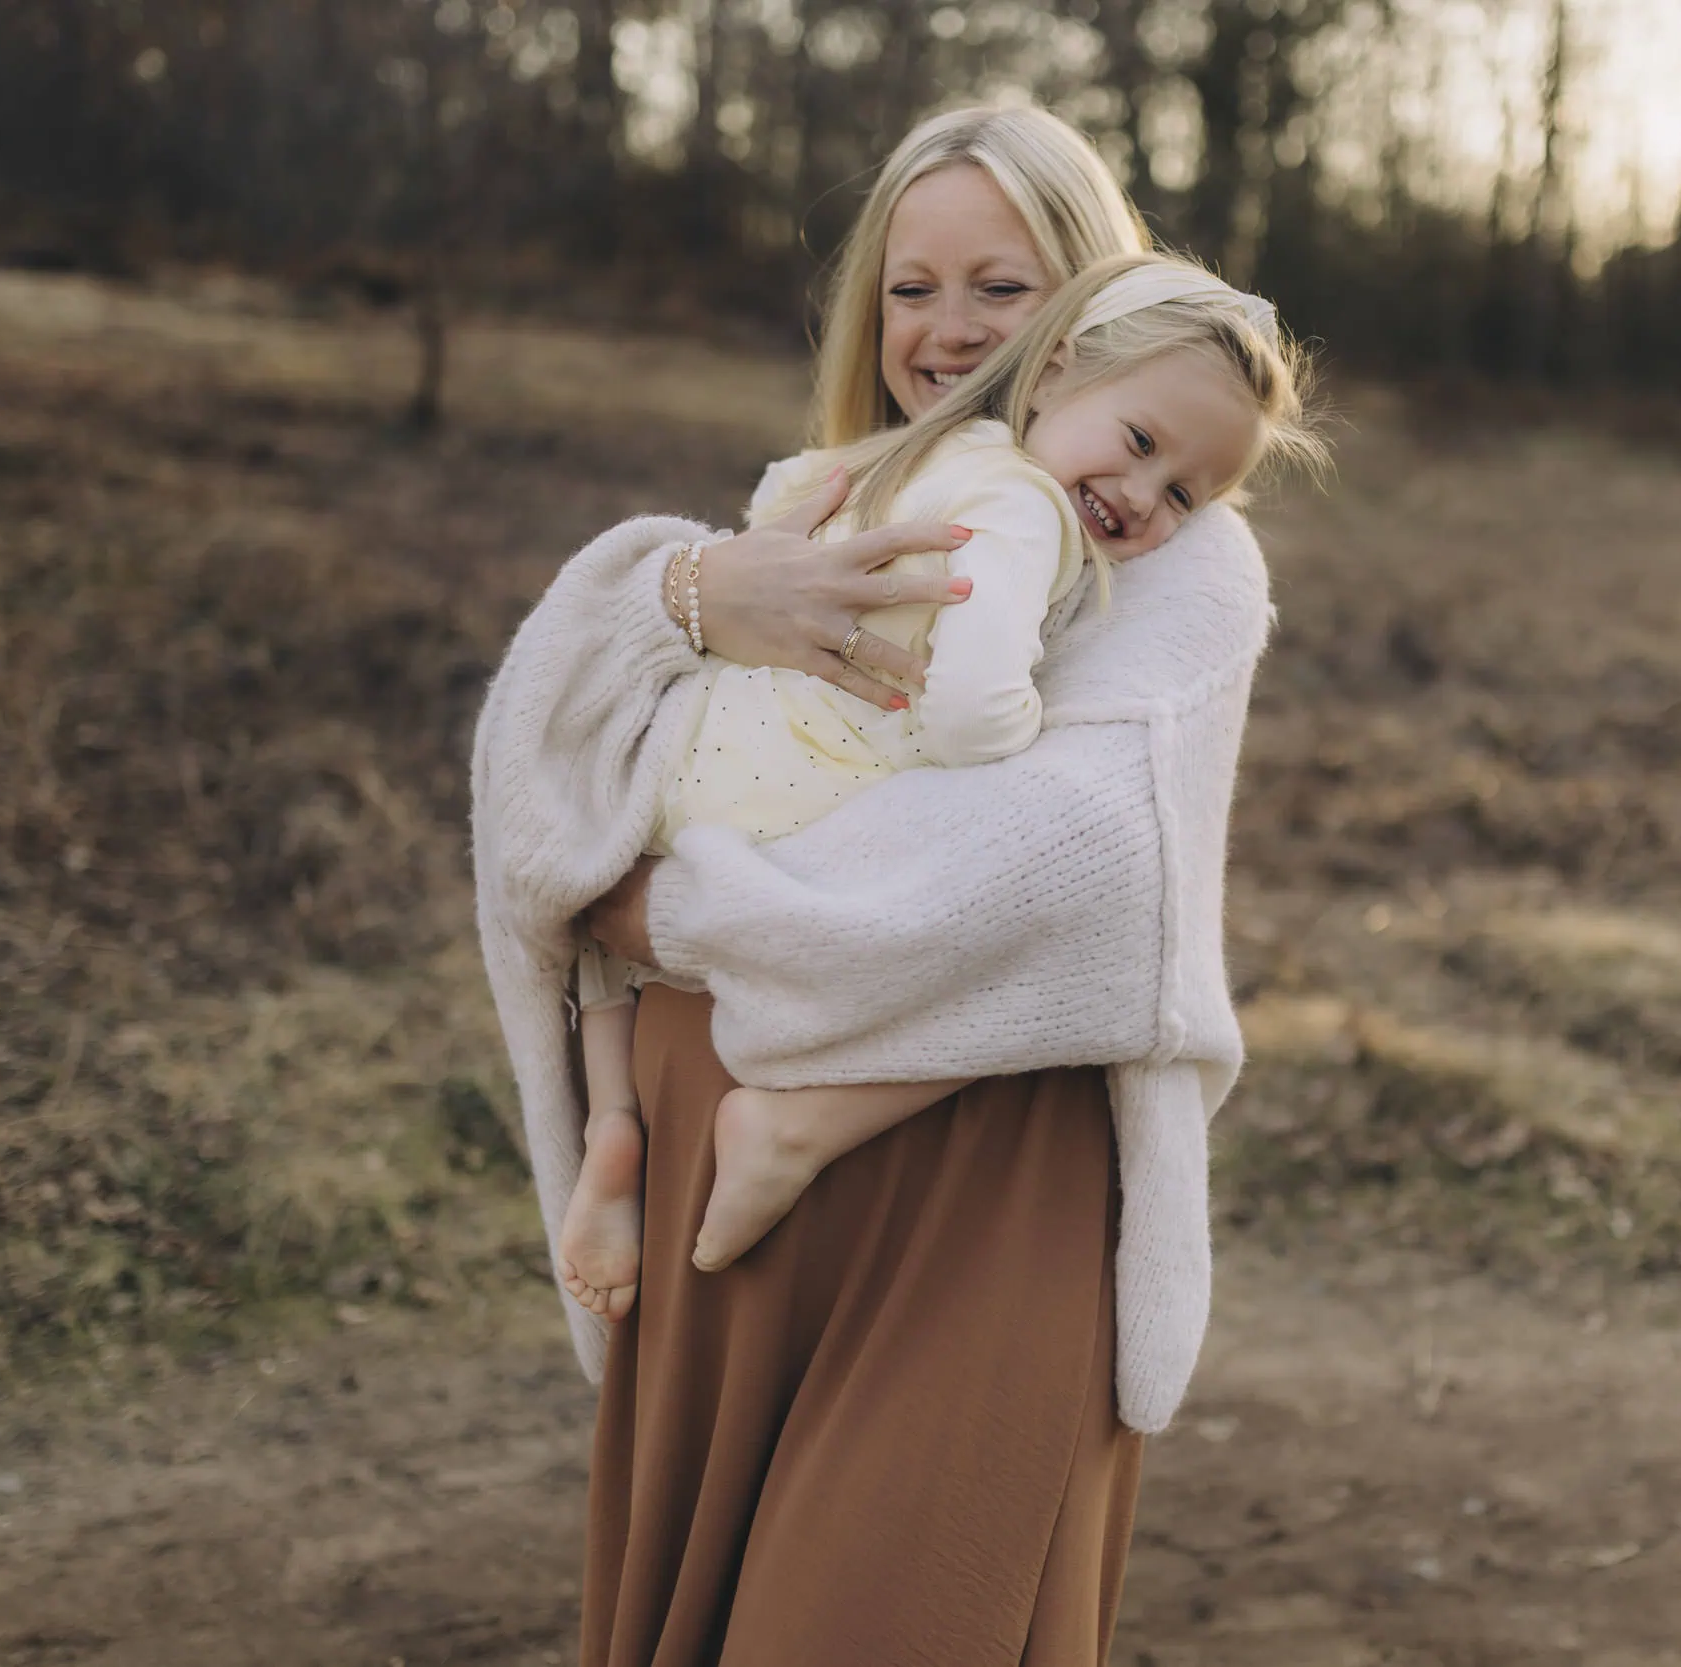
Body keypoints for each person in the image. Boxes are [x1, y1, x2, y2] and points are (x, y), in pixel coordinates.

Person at [471, 103, 1284, 1665]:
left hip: (968, 1174)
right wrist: (690, 591)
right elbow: (554, 771)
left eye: (1005, 281)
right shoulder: (843, 497)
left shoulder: (1169, 553)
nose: (947, 328)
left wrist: (665, 913)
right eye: (913, 287)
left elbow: (1086, 866)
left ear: (1090, 313)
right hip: (721, 1155)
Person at [558, 253, 1323, 1321]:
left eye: (1182, 492)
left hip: (702, 750)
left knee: (598, 944)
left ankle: (608, 1128)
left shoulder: (928, 455)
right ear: (1054, 372)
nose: (1142, 497)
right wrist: (1012, 730)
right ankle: (786, 1123)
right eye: (1141, 445)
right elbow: (968, 710)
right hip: (796, 800)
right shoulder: (1026, 511)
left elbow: (783, 497)